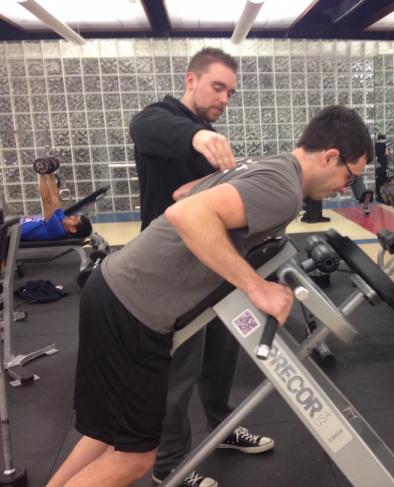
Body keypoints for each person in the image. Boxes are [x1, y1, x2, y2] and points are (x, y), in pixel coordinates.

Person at [45, 105, 373, 487]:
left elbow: (183, 193)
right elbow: (188, 214)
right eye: (349, 176)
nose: (345, 188)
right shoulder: (284, 190)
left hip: (111, 289)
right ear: (331, 156)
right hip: (133, 310)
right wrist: (256, 286)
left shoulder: (265, 164)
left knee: (106, 436)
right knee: (134, 459)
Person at [129, 47, 269, 487]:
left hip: (211, 262)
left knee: (223, 351)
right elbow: (143, 126)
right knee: (180, 366)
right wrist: (195, 137)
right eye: (217, 87)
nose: (225, 98)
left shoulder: (206, 131)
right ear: (191, 80)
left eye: (230, 92)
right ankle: (170, 464)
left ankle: (223, 428)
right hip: (171, 268)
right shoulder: (163, 120)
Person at [20, 170, 92, 241]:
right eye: (75, 217)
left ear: (72, 229)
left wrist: (41, 174)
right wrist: (50, 173)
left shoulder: (57, 230)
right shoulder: (61, 220)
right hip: (17, 225)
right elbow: (55, 196)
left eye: (74, 220)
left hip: (12, 234)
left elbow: (47, 200)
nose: (72, 216)